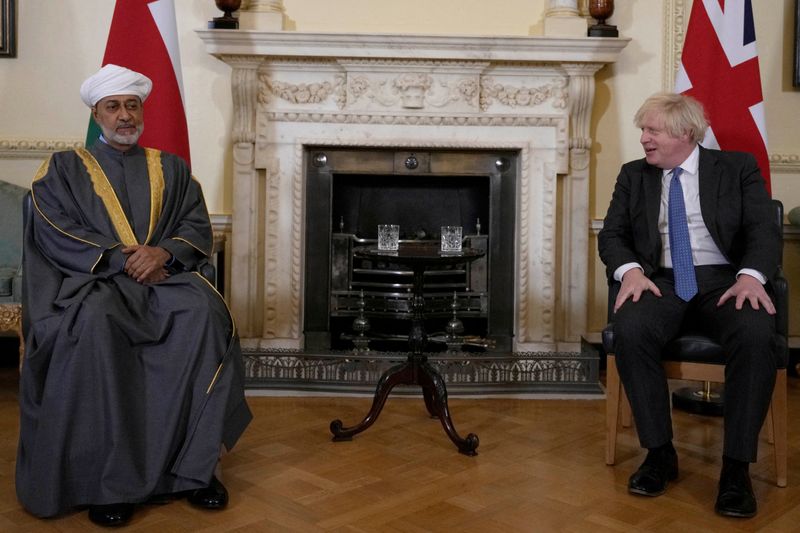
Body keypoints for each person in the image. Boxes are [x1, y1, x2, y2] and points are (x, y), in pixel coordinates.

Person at [16, 64, 252, 527]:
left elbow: (195, 224)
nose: (124, 115)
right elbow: (54, 226)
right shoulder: (63, 168)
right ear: (95, 113)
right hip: (96, 283)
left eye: (131, 105)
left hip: (163, 279)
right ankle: (110, 483)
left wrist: (163, 252)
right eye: (113, 107)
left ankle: (196, 471)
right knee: (95, 323)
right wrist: (121, 259)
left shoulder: (171, 167)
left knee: (203, 313)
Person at [598, 92, 780, 518]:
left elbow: (762, 231)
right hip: (659, 280)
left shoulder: (737, 169)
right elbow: (612, 235)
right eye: (643, 130)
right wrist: (631, 271)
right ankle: (660, 453)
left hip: (724, 282)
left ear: (685, 133)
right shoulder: (633, 176)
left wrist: (751, 276)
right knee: (631, 329)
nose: (643, 139)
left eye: (652, 130)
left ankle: (736, 469)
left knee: (755, 333)